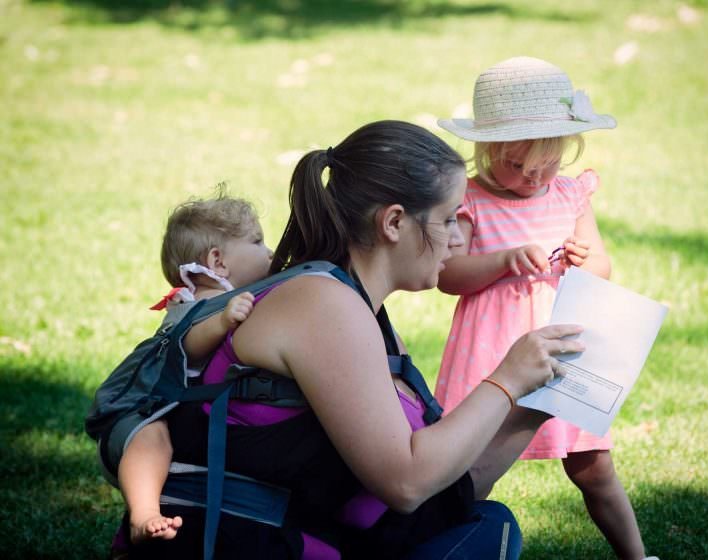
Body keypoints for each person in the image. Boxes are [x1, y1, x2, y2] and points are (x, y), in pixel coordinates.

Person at [121, 120, 585, 560]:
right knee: (486, 531)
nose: (457, 241)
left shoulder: (364, 312)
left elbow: (438, 495)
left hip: (297, 538)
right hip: (226, 542)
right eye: (448, 219)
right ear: (394, 222)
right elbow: (405, 483)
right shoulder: (322, 305)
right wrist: (504, 381)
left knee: (487, 524)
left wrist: (533, 405)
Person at [434, 56, 651, 559]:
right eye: (517, 166)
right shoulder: (471, 202)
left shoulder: (568, 195)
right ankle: (439, 542)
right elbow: (449, 275)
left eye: (546, 166)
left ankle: (637, 556)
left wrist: (584, 262)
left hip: (562, 347)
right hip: (495, 351)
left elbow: (600, 265)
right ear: (488, 149)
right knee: (471, 465)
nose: (533, 179)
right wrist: (505, 261)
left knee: (594, 466)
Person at [117, 190, 274, 544]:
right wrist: (222, 322)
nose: (269, 251)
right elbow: (185, 343)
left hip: (186, 410)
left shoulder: (224, 297)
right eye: (258, 241)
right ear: (218, 262)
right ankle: (142, 517)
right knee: (150, 440)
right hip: (147, 410)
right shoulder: (197, 304)